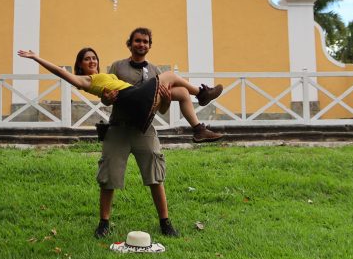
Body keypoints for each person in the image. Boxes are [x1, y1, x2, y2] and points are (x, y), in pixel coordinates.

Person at [17, 29, 224, 239]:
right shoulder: (91, 78)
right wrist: (37, 58)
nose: (92, 60)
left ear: (149, 44)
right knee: (109, 175)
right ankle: (202, 94)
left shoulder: (112, 74)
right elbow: (70, 77)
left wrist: (166, 99)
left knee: (179, 93)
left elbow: (161, 109)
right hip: (126, 112)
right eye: (86, 59)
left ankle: (198, 130)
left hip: (143, 116)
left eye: (94, 58)